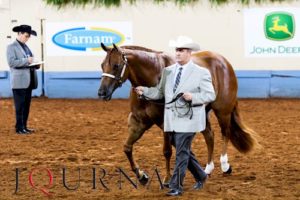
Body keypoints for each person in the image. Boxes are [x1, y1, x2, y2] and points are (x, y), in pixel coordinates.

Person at [135, 36, 216, 196]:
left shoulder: (201, 73)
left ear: (190, 53)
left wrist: (193, 97)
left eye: (181, 50)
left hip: (190, 118)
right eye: (176, 50)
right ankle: (201, 175)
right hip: (171, 120)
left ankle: (176, 186)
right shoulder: (168, 71)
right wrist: (145, 91)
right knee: (182, 149)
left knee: (181, 151)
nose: (177, 53)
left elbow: (210, 95)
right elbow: (159, 92)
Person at [6, 25, 40, 134]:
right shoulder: (11, 47)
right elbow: (12, 63)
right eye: (26, 36)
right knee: (20, 106)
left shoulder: (25, 47)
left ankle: (24, 126)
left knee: (26, 106)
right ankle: (19, 128)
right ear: (20, 34)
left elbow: (28, 62)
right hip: (19, 82)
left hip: (28, 81)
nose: (27, 38)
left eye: (28, 37)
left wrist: (35, 65)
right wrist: (27, 61)